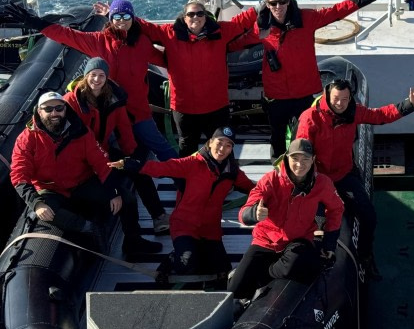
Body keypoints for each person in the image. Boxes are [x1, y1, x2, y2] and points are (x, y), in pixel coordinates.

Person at [4, 0, 176, 166]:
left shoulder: (142, 43)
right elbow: (67, 35)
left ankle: (184, 181)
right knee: (105, 154)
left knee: (160, 147)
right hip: (106, 111)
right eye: (117, 17)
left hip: (137, 110)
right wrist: (37, 23)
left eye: (126, 17)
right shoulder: (98, 41)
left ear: (133, 19)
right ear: (110, 19)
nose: (122, 22)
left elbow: (168, 60)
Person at [297, 77, 414, 279]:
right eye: (336, 99)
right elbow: (302, 153)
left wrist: (409, 105)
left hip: (345, 175)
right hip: (317, 180)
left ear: (351, 98)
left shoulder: (354, 111)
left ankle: (365, 257)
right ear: (327, 95)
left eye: (345, 99)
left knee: (369, 217)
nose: (340, 103)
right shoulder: (310, 118)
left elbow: (380, 115)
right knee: (317, 224)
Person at [10, 91, 161, 260]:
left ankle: (133, 242)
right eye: (48, 109)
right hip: (50, 187)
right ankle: (88, 228)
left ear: (65, 109)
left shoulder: (80, 132)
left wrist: (114, 192)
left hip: (82, 182)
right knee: (46, 212)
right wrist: (36, 203)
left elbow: (100, 162)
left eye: (59, 108)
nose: (54, 113)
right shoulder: (27, 139)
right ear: (39, 111)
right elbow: (19, 173)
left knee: (127, 199)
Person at [254, 0, 391, 160]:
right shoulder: (261, 26)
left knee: (305, 135)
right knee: (277, 137)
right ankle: (280, 172)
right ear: (267, 5)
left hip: (302, 93)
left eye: (281, 2)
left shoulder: (306, 19)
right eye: (273, 3)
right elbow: (236, 39)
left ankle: (305, 169)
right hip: (276, 95)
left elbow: (337, 12)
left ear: (288, 2)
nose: (278, 7)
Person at [111, 126, 254, 279]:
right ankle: (171, 260)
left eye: (228, 145)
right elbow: (162, 168)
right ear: (210, 142)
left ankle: (196, 250)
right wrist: (130, 164)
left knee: (222, 270)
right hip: (185, 225)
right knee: (186, 265)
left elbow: (253, 188)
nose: (222, 149)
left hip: (210, 229)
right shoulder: (192, 163)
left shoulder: (232, 172)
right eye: (219, 142)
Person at [133, 0, 259, 157]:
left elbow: (240, 23)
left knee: (222, 146)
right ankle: (188, 180)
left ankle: (226, 180)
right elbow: (147, 28)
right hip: (184, 108)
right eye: (191, 14)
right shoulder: (169, 34)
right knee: (187, 147)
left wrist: (259, 8)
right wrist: (120, 13)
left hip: (216, 106)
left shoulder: (219, 32)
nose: (196, 18)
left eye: (200, 14)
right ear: (184, 18)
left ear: (205, 16)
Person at [228, 139, 344, 301]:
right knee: (234, 289)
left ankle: (264, 275)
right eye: (295, 159)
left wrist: (329, 243)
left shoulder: (322, 183)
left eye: (305, 159)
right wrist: (254, 213)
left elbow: (336, 208)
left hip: (298, 240)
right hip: (266, 240)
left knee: (298, 264)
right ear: (286, 158)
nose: (299, 164)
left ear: (313, 160)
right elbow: (244, 211)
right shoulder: (270, 180)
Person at [65, 58, 168, 235]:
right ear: (85, 76)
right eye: (93, 75)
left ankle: (159, 217)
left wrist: (132, 154)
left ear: (106, 77)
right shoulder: (72, 102)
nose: (96, 80)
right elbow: (80, 138)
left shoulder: (113, 97)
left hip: (103, 152)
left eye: (101, 75)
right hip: (83, 158)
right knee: (122, 195)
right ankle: (133, 236)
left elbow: (123, 127)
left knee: (139, 172)